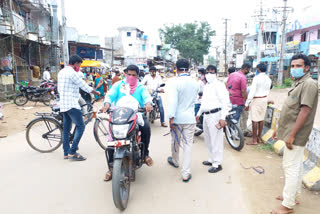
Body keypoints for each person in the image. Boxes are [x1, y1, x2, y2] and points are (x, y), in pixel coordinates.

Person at [271, 54, 318, 214]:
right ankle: (292, 195)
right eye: (293, 66)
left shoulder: (309, 84)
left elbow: (305, 111)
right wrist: (279, 128)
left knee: (290, 167)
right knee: (295, 166)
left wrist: (291, 135)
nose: (295, 69)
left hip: (296, 134)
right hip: (290, 131)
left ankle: (288, 204)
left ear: (306, 68)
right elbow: (289, 110)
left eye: (298, 66)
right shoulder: (298, 83)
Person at [100, 65, 153, 181]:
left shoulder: (140, 87)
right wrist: (107, 104)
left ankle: (145, 154)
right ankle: (111, 168)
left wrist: (148, 103)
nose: (131, 77)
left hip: (136, 114)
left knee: (146, 128)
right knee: (111, 140)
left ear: (138, 76)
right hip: (118, 115)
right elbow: (110, 95)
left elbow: (146, 97)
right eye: (129, 74)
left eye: (134, 75)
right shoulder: (118, 85)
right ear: (125, 74)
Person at [58, 55, 100, 161]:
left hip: (63, 104)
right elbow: (83, 85)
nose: (79, 67)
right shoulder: (72, 73)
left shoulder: (61, 72)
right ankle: (72, 152)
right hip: (72, 104)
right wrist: (95, 91)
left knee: (66, 129)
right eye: (79, 64)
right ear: (76, 63)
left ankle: (66, 152)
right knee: (81, 126)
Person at [167, 59, 199, 182]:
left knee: (175, 140)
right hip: (190, 118)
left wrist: (171, 118)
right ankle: (186, 173)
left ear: (176, 68)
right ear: (188, 68)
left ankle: (175, 161)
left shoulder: (175, 82)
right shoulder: (195, 83)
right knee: (188, 145)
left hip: (177, 118)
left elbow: (172, 102)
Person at [196, 65, 230, 173]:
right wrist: (198, 113)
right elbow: (203, 102)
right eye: (208, 71)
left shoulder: (219, 85)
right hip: (206, 115)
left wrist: (223, 117)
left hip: (216, 115)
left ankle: (217, 163)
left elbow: (225, 102)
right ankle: (211, 159)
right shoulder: (206, 86)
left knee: (216, 140)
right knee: (208, 139)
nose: (209, 73)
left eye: (212, 71)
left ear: (216, 73)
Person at [245, 63, 272, 145]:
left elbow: (252, 91)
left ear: (258, 69)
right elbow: (269, 89)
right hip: (264, 99)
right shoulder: (268, 79)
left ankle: (254, 140)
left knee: (254, 120)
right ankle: (259, 138)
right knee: (261, 119)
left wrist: (247, 103)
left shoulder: (256, 78)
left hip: (256, 99)